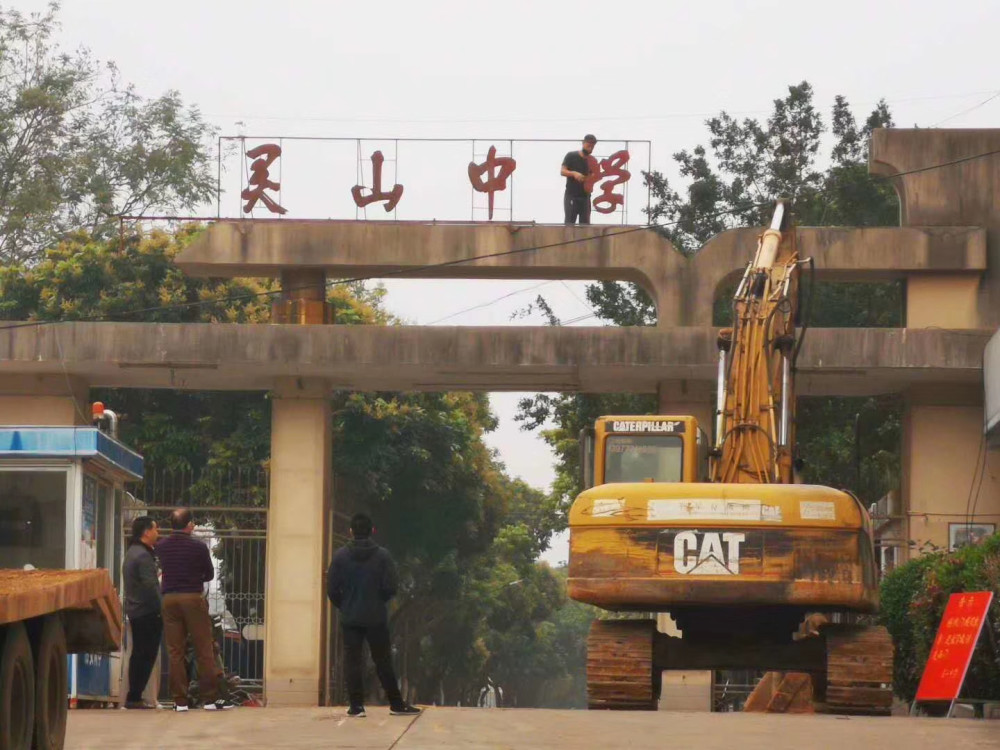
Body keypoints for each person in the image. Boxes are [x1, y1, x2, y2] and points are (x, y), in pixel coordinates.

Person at [327, 512, 420, 718]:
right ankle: (396, 704)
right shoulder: (383, 556)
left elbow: (332, 588)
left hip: (350, 617)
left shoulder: (340, 556)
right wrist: (378, 601)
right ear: (372, 531)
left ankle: (356, 706)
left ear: (351, 531)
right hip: (376, 616)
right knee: (383, 660)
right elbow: (391, 587)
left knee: (352, 661)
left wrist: (345, 605)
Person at [156, 508, 234, 711]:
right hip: (192, 598)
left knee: (175, 651)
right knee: (204, 649)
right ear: (189, 525)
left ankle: (179, 701)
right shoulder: (198, 547)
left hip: (169, 600)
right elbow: (209, 574)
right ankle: (210, 698)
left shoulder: (161, 546)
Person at [122, 516, 162, 709]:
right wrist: (161, 608)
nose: (158, 533)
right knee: (145, 654)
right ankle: (134, 696)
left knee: (139, 653)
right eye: (155, 529)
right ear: (146, 532)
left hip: (136, 611)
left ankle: (134, 695)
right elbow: (150, 587)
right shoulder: (143, 556)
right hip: (147, 612)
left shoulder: (133, 552)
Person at [561, 134, 597, 224]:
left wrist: (590, 179)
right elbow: (562, 171)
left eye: (592, 146)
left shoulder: (592, 161)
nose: (590, 148)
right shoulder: (571, 156)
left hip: (585, 196)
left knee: (585, 225)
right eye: (588, 145)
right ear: (583, 143)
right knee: (569, 223)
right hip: (572, 195)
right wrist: (573, 173)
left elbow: (594, 176)